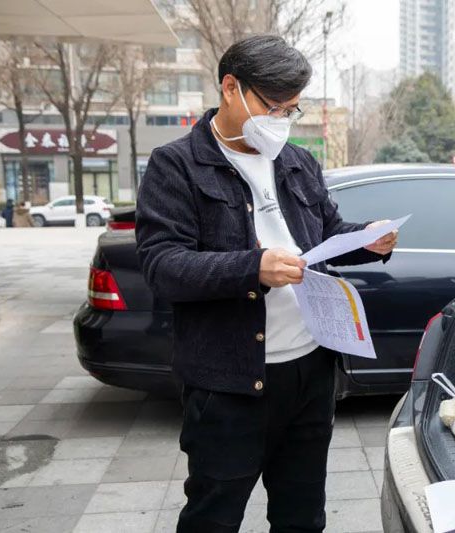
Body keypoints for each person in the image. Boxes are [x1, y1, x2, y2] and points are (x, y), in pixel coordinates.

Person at [135, 35, 398, 533]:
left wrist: (367, 240)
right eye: (273, 106)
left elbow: (325, 233)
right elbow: (162, 265)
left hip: (309, 372)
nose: (280, 120)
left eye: (291, 110)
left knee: (302, 516)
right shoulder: (177, 166)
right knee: (213, 516)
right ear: (230, 88)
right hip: (228, 385)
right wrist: (252, 267)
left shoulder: (298, 162)